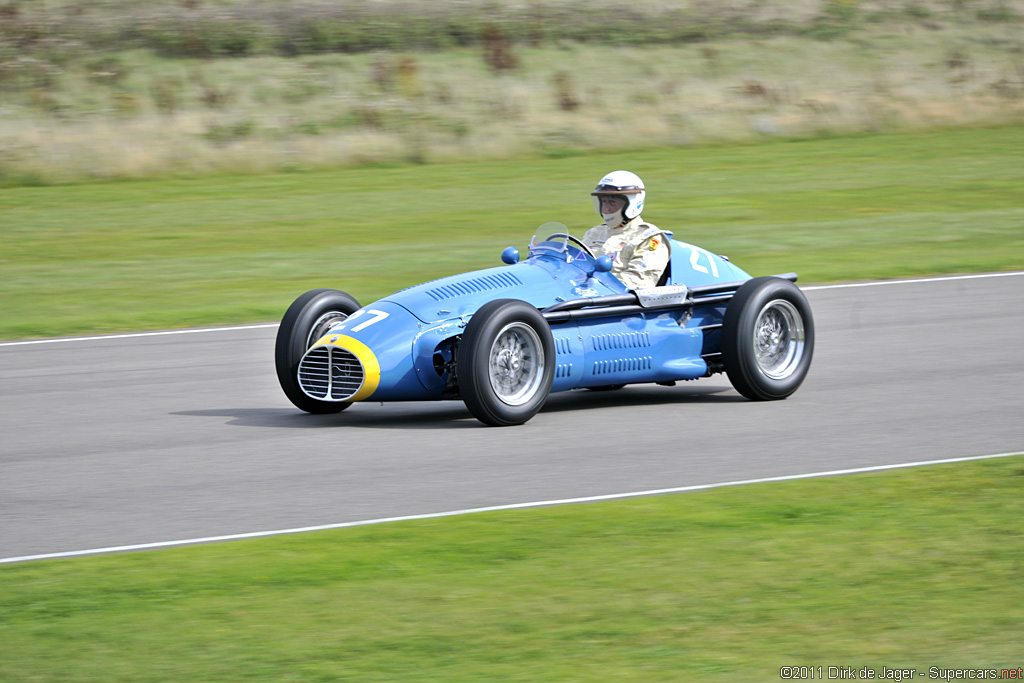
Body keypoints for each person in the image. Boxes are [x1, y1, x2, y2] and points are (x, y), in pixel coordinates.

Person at [582, 170, 671, 290]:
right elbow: (576, 266)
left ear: (632, 204)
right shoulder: (594, 233)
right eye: (603, 202)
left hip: (618, 303)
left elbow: (639, 282)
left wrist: (597, 285)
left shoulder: (648, 237)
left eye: (612, 202)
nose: (606, 209)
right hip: (584, 296)